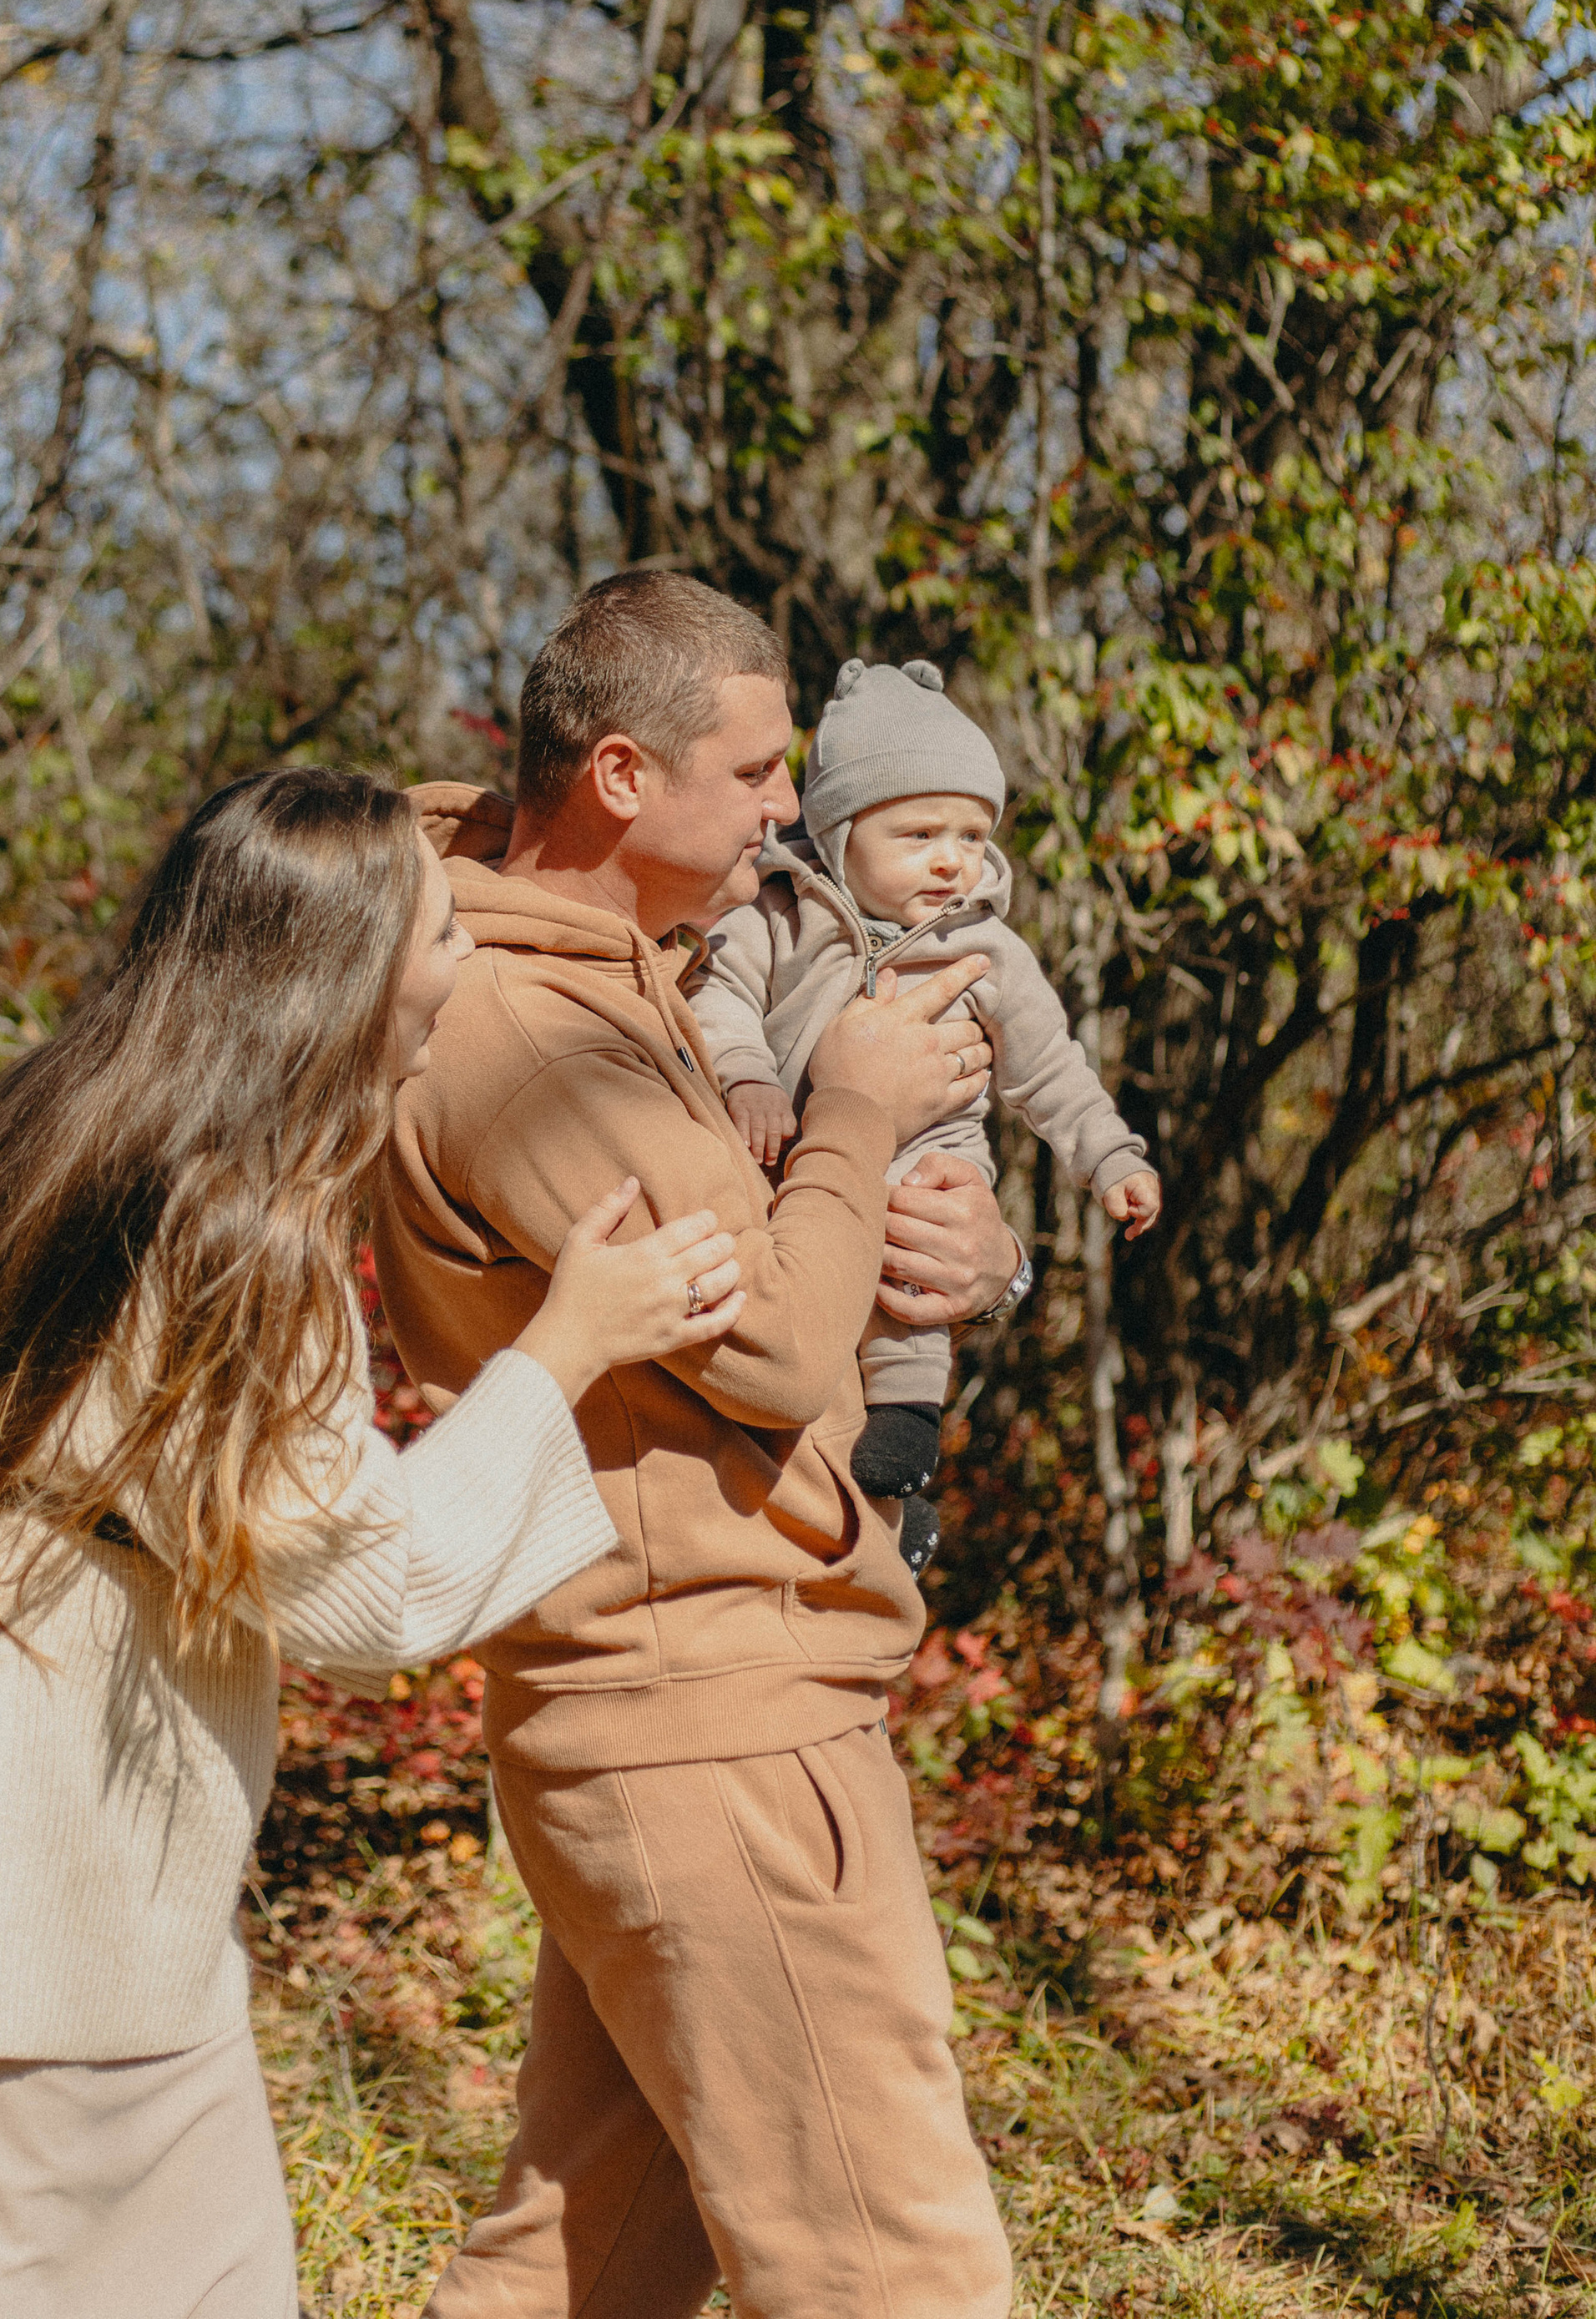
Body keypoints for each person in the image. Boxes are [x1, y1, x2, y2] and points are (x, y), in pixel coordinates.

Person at [0, 765, 748, 2319]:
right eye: (444, 935)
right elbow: (371, 1589)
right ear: (345, 970)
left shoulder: (71, 1115)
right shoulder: (234, 1226)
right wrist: (568, 1346)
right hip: (3, 1801)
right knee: (1, 2269)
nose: (466, 968)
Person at [373, 572, 1023, 2319]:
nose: (788, 809)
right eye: (751, 773)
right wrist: (862, 1105)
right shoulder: (526, 1036)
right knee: (898, 2271)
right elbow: (780, 1349)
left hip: (688, 1705)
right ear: (616, 777)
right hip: (708, 1720)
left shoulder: (633, 976)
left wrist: (979, 1258)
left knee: (583, 2261)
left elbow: (793, 1277)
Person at [690, 654, 1160, 1570]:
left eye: (973, 834)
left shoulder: (988, 949)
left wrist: (1110, 1156)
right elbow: (721, 998)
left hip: (928, 1151)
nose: (953, 859)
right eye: (919, 834)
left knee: (920, 1235)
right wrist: (746, 1076)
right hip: (793, 1151)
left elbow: (1050, 1069)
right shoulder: (777, 917)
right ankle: (859, 1506)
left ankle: (908, 1416)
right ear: (837, 833)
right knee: (805, 1305)